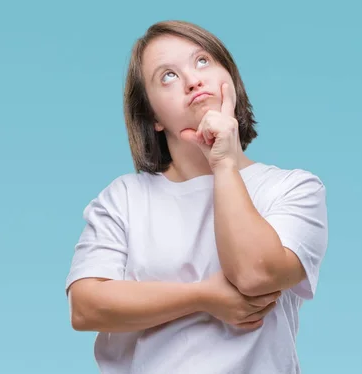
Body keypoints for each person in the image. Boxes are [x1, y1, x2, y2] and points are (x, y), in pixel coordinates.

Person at [64, 20, 329, 374]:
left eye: (202, 61)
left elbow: (254, 274)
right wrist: (203, 297)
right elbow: (86, 307)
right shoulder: (124, 198)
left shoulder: (293, 188)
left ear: (230, 79)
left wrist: (222, 163)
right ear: (153, 116)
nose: (192, 80)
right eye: (168, 76)